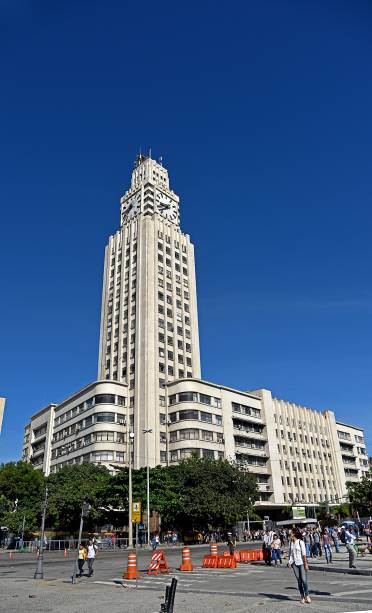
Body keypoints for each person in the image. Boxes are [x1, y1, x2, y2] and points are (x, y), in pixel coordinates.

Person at [288, 528, 311, 604]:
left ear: (294, 534)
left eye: (291, 533)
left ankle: (307, 595)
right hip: (294, 563)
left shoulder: (300, 542)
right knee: (299, 581)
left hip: (301, 563)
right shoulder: (291, 543)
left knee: (304, 580)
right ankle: (302, 596)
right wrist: (290, 562)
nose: (290, 534)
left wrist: (306, 564)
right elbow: (291, 554)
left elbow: (304, 554)